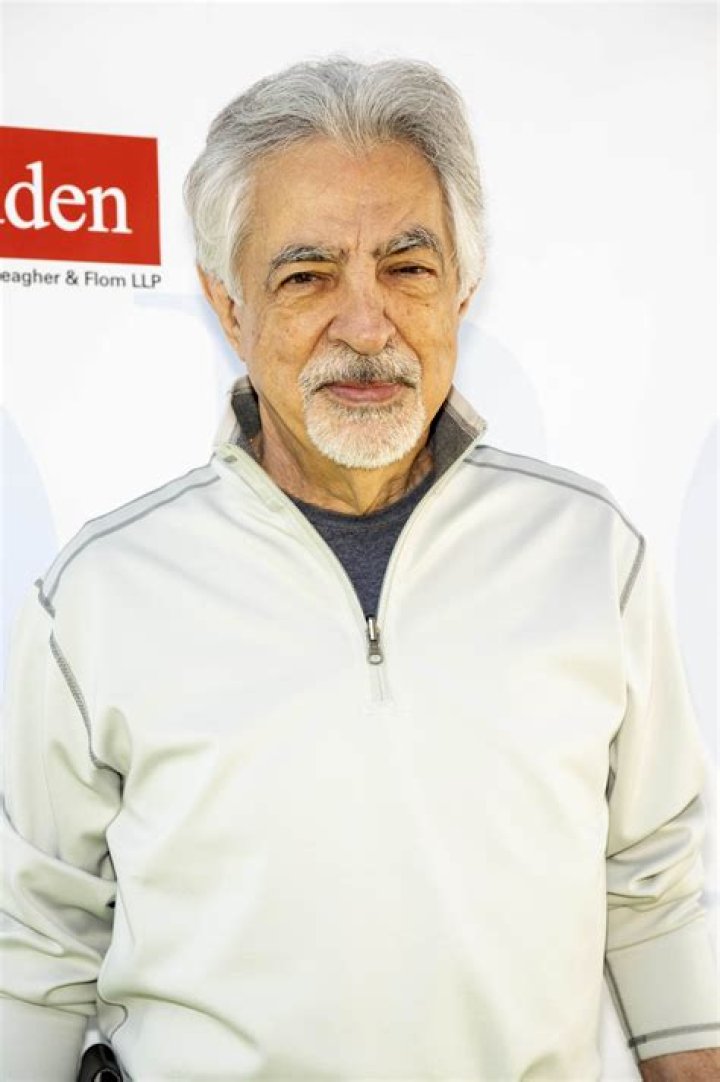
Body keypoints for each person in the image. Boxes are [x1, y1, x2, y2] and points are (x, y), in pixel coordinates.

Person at [1, 56, 718, 1082]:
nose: (368, 325)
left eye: (407, 267)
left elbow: (654, 884)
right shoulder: (99, 595)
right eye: (307, 276)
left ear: (463, 289)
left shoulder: (590, 554)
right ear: (227, 305)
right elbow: (34, 944)